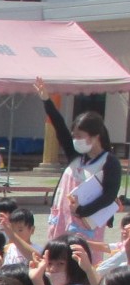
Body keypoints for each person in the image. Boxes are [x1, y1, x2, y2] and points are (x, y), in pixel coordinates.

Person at [35, 76, 122, 255]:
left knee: (82, 264)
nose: (75, 140)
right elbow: (60, 127)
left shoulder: (109, 162)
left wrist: (82, 211)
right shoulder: (76, 156)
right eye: (74, 136)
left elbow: (109, 195)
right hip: (61, 223)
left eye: (79, 135)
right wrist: (46, 100)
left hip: (87, 226)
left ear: (95, 135)